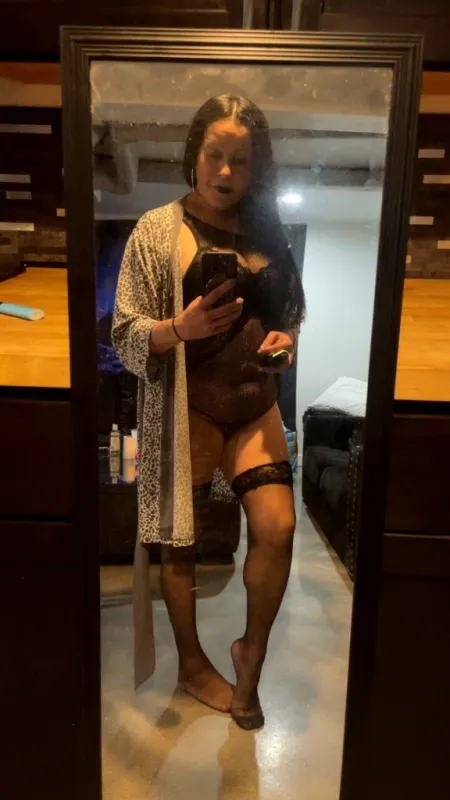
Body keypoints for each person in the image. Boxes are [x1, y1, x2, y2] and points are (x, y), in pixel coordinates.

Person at [112, 94, 305, 731]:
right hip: (185, 406)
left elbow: (288, 314)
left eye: (240, 160)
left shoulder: (270, 229)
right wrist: (179, 327)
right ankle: (192, 664)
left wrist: (284, 344)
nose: (226, 172)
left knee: (278, 528)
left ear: (256, 166)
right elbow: (123, 332)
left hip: (254, 404)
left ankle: (252, 654)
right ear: (193, 155)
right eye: (215, 155)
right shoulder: (155, 229)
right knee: (181, 542)